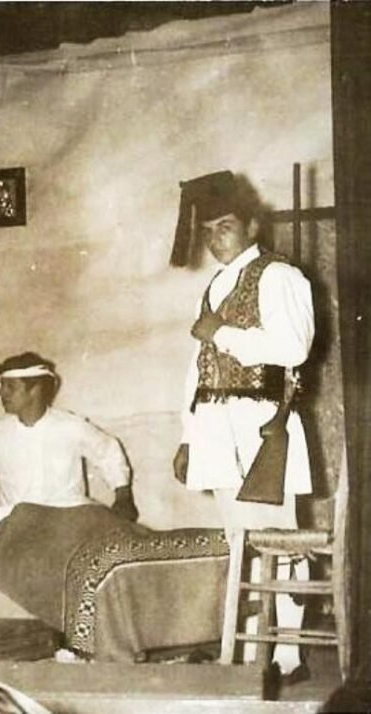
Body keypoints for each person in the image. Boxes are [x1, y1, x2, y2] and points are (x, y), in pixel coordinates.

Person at [171, 170, 314, 683]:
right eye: (208, 231)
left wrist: (224, 333)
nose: (216, 239)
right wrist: (188, 435)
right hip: (216, 424)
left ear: (252, 226)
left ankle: (289, 656)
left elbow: (293, 347)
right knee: (242, 542)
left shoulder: (280, 276)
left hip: (263, 423)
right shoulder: (214, 286)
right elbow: (198, 368)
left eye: (225, 227)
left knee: (281, 542)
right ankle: (253, 652)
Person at [0, 351, 137, 565]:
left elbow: (108, 452)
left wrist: (123, 495)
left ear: (35, 390)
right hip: (18, 525)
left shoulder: (70, 426)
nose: (1, 393)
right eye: (2, 385)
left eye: (10, 386)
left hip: (68, 518)